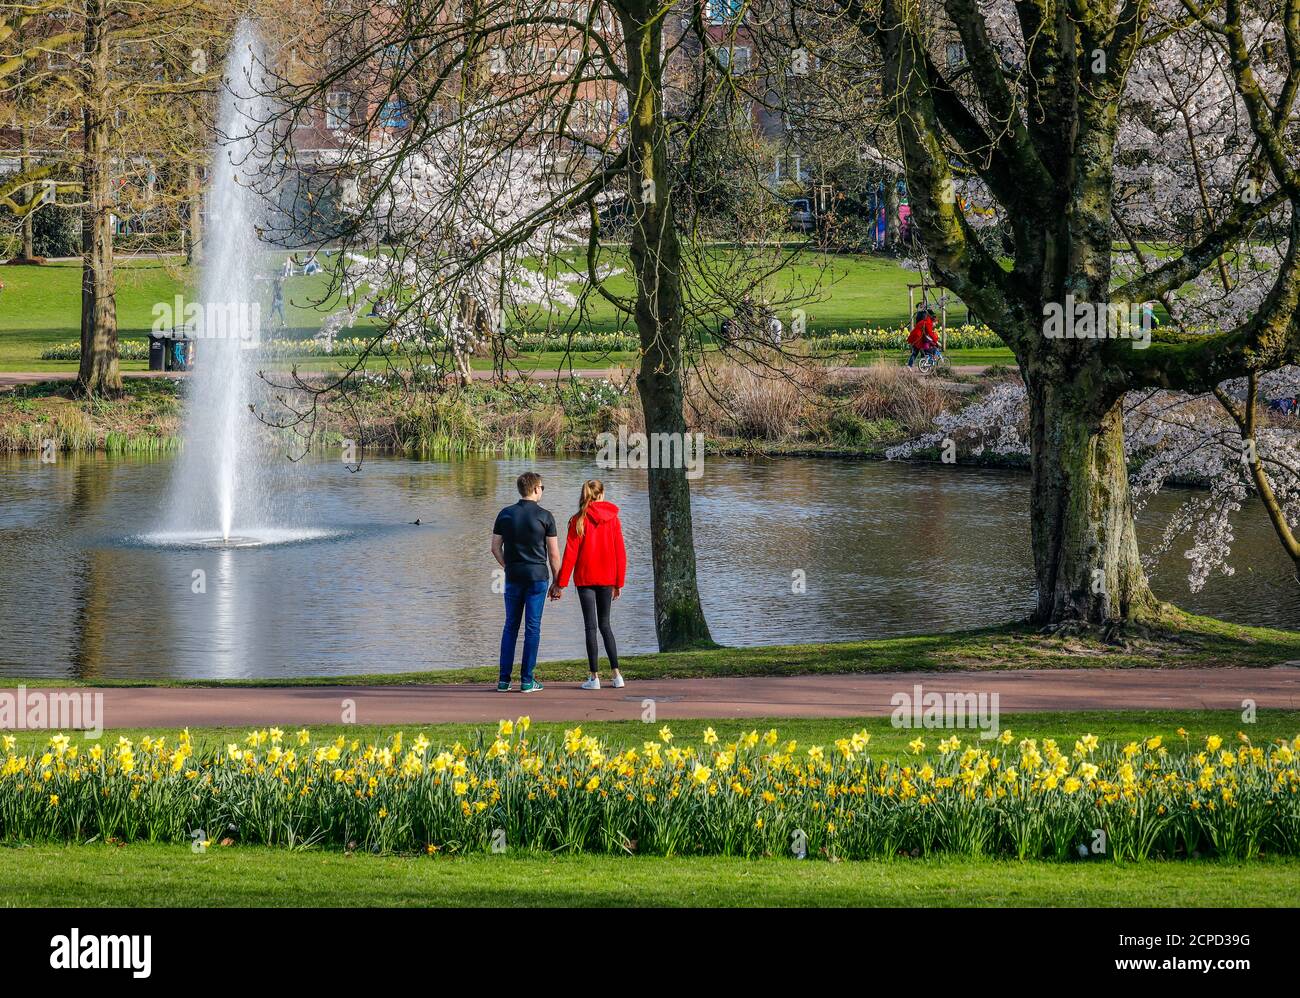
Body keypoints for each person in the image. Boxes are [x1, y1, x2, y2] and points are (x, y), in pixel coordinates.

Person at [551, 480, 627, 690]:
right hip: (607, 578)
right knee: (606, 625)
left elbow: (570, 556)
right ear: (601, 495)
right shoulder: (613, 519)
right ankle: (617, 675)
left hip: (585, 580)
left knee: (590, 627)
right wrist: (618, 582)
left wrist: (560, 584)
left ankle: (594, 678)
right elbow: (620, 553)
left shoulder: (578, 520)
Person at [491, 471, 560, 693]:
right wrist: (558, 582)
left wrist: (508, 566)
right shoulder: (545, 516)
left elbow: (495, 548)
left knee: (510, 626)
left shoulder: (505, 514)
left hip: (513, 577)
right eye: (542, 487)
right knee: (532, 627)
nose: (542, 491)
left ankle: (503, 680)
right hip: (537, 577)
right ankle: (527, 680)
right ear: (536, 488)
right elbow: (554, 554)